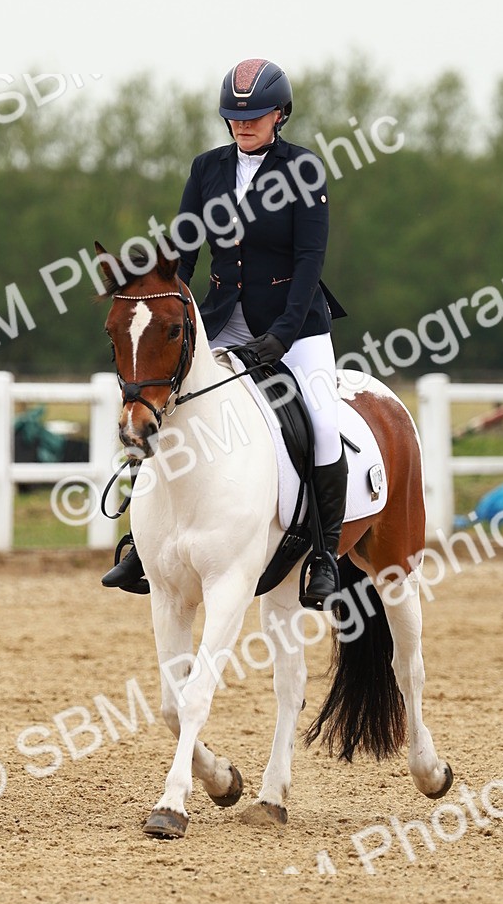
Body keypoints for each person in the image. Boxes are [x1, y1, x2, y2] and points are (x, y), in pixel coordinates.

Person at [103, 57, 348, 608]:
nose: (244, 124)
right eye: (235, 117)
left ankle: (326, 555)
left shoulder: (303, 169)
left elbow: (310, 261)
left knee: (323, 421)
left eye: (256, 116)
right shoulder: (207, 169)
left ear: (280, 115)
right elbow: (184, 253)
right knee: (169, 410)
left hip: (296, 325)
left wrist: (283, 335)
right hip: (221, 319)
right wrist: (166, 306)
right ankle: (145, 545)